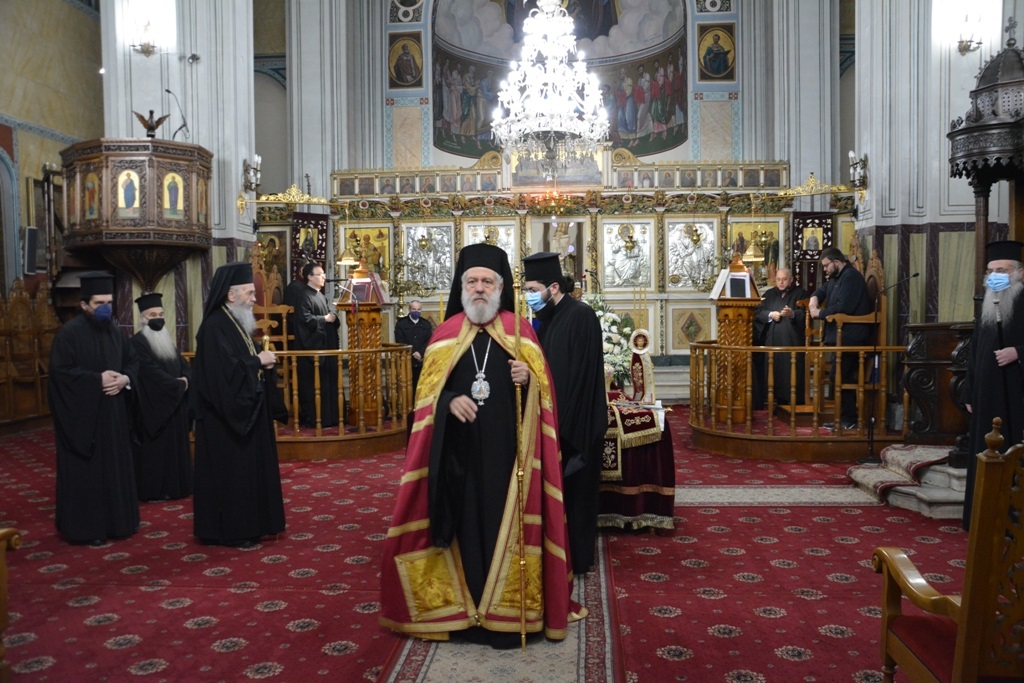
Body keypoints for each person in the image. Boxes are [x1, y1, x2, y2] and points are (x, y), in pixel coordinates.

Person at [380, 244, 581, 648]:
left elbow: (546, 402)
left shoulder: (521, 332)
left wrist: (530, 379)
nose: (479, 288)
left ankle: (506, 615)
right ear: (461, 287)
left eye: (487, 281)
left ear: (500, 288)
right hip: (459, 460)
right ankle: (464, 613)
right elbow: (426, 399)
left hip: (509, 461)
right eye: (471, 281)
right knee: (465, 529)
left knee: (503, 528)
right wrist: (448, 400)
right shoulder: (445, 334)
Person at [522, 252, 607, 575]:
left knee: (577, 499)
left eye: (533, 290)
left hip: (577, 428)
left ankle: (577, 560)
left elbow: (580, 381)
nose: (529, 297)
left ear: (553, 287)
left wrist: (562, 430)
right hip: (554, 423)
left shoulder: (581, 316)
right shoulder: (546, 320)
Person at [191, 262, 286, 548]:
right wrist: (257, 361)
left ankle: (254, 525)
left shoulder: (235, 322)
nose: (254, 298)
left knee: (247, 474)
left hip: (246, 412)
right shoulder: (213, 327)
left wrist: (261, 361)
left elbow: (239, 361)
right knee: (233, 476)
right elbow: (222, 375)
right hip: (225, 420)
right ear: (231, 295)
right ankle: (234, 531)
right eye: (249, 293)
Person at [48, 273, 139, 544]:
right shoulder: (69, 334)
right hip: (86, 420)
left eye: (109, 302)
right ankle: (89, 529)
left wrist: (125, 379)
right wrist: (96, 379)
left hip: (115, 417)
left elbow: (133, 363)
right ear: (84, 304)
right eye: (99, 303)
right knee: (90, 474)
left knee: (116, 469)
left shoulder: (116, 332)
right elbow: (61, 377)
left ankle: (120, 523)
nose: (106, 308)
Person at [961, 240, 1024, 530]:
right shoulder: (989, 302)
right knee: (982, 451)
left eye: (1002, 270)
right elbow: (975, 351)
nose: (995, 276)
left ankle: (1008, 520)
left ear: (1019, 273)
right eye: (991, 271)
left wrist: (1018, 352)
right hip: (985, 395)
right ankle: (979, 518)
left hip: (1014, 394)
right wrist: (969, 391)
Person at [130, 292, 193, 501]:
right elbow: (149, 373)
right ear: (143, 319)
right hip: (155, 407)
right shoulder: (137, 343)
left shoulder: (166, 340)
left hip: (175, 403)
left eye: (161, 314)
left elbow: (182, 364)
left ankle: (178, 487)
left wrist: (186, 378)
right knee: (157, 450)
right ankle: (157, 490)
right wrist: (177, 385)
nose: (158, 318)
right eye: (152, 315)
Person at [808, 247, 871, 431]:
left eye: (826, 266)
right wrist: (814, 298)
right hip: (840, 337)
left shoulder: (851, 278)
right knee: (837, 376)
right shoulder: (837, 277)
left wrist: (819, 313)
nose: (825, 270)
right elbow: (823, 289)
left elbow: (843, 307)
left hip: (852, 338)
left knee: (840, 376)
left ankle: (849, 419)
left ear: (836, 262)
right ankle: (844, 418)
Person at [293, 262, 341, 427]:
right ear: (309, 277)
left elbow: (329, 313)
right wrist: (324, 319)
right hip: (313, 348)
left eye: (323, 274)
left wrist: (332, 316)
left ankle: (331, 417)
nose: (324, 277)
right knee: (314, 385)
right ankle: (316, 418)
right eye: (320, 274)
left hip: (326, 345)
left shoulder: (321, 296)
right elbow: (304, 320)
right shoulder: (304, 296)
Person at [752, 268, 808, 409]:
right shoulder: (769, 294)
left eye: (784, 279)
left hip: (792, 341)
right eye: (778, 279)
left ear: (791, 279)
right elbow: (757, 312)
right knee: (774, 371)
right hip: (772, 341)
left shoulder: (801, 294)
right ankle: (775, 402)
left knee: (792, 371)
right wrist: (770, 315)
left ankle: (795, 403)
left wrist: (792, 314)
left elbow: (806, 314)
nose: (781, 282)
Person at [393, 299, 433, 396]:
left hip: (421, 361)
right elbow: (400, 340)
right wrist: (413, 352)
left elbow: (429, 340)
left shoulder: (426, 324)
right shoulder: (401, 324)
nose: (416, 311)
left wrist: (420, 353)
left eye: (418, 309)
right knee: (407, 387)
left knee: (421, 386)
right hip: (407, 360)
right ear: (409, 309)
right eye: (414, 309)